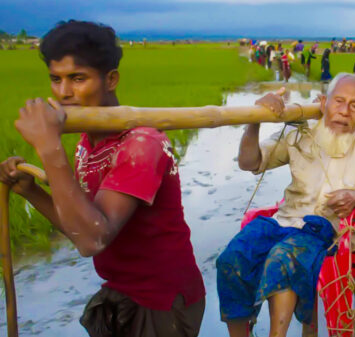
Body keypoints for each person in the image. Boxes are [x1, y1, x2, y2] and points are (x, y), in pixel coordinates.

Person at [0, 20, 205, 336]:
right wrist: (32, 193)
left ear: (111, 79)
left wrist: (50, 149)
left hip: (162, 301)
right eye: (55, 79)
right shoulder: (88, 141)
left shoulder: (141, 145)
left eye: (77, 78)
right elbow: (82, 223)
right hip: (120, 289)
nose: (64, 93)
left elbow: (92, 238)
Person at [216, 73, 355, 337]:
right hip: (284, 220)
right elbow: (249, 162)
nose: (344, 112)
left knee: (282, 260)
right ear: (323, 102)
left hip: (331, 231)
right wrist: (255, 119)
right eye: (339, 102)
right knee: (232, 259)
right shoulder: (303, 129)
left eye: (354, 106)